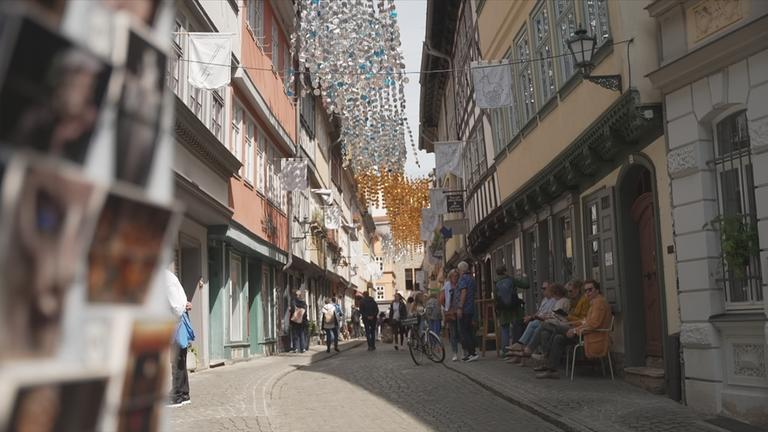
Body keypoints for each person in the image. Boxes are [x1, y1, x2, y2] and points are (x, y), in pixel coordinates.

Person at [535, 280, 612, 379]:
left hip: (591, 336)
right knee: (558, 338)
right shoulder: (594, 302)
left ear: (597, 290)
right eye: (586, 291)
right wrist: (575, 327)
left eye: (590, 290)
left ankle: (544, 356)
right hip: (585, 333)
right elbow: (586, 322)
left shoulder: (599, 303)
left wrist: (575, 330)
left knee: (548, 326)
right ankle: (552, 370)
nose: (587, 293)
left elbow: (594, 324)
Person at [529, 279, 588, 362]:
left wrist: (567, 316)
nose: (568, 293)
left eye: (570, 291)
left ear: (577, 290)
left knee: (544, 325)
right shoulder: (572, 301)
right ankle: (549, 364)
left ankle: (534, 351)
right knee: (547, 334)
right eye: (567, 292)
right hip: (569, 326)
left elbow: (583, 320)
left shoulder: (583, 301)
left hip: (576, 329)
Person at [509, 283, 568, 363]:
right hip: (551, 321)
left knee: (540, 325)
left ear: (556, 292)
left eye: (545, 288)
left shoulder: (562, 301)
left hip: (558, 323)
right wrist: (533, 316)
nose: (543, 291)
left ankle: (527, 349)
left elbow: (559, 316)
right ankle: (541, 356)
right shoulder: (548, 300)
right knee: (539, 330)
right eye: (542, 288)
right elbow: (544, 313)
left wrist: (542, 317)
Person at [166, 267, 193, 407]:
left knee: (176, 359)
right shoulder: (170, 277)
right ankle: (184, 394)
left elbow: (176, 307)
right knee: (180, 359)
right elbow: (181, 302)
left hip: (175, 323)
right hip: (178, 322)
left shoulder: (166, 279)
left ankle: (176, 396)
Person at [493, 265, 529, 356]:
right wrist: (525, 277)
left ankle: (505, 352)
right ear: (505, 271)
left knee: (505, 329)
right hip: (514, 307)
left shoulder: (496, 282)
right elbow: (526, 285)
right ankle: (516, 350)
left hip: (503, 309)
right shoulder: (511, 280)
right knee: (517, 327)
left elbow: (496, 297)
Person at [456, 261, 479, 362]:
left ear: (461, 270)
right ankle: (472, 352)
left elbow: (463, 292)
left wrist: (460, 307)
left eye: (458, 270)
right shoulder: (472, 279)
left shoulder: (463, 279)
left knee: (464, 331)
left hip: (465, 309)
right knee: (469, 331)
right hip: (471, 308)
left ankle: (471, 353)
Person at [444, 269, 461, 361]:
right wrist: (445, 309)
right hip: (450, 312)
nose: (455, 278)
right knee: (453, 333)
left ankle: (465, 352)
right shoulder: (447, 285)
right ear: (450, 277)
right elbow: (442, 297)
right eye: (454, 276)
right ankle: (455, 353)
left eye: (457, 276)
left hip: (459, 310)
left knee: (461, 331)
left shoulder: (460, 284)